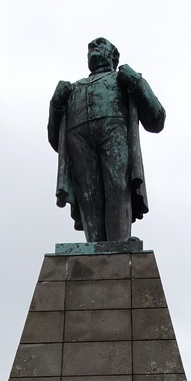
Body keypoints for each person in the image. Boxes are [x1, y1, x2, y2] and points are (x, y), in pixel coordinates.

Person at [48, 38, 165, 243]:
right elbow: (55, 140)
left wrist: (136, 82)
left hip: (114, 130)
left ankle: (118, 244)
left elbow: (157, 119)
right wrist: (56, 106)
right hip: (78, 139)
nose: (93, 48)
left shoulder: (121, 79)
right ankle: (95, 247)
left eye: (100, 45)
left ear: (114, 56)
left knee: (117, 187)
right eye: (90, 47)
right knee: (88, 196)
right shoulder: (73, 89)